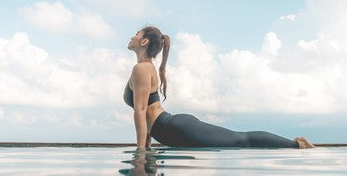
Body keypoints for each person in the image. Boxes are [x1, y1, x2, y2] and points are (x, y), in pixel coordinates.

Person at [125, 26, 316, 150]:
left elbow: (141, 111)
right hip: (170, 129)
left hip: (175, 129)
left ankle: (297, 144)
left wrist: (140, 151)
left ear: (144, 42)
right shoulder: (144, 68)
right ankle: (295, 144)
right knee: (240, 140)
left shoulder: (142, 69)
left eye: (136, 33)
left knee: (242, 140)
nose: (132, 36)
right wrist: (147, 144)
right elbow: (143, 109)